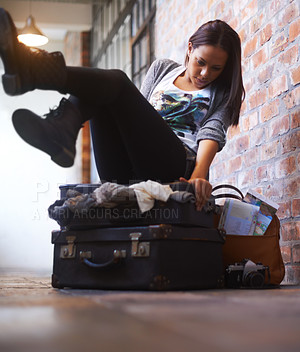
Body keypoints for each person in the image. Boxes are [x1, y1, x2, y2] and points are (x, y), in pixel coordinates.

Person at [0, 8, 244, 211]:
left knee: (116, 81)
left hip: (174, 169)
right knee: (104, 91)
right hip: (125, 167)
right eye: (200, 62)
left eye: (216, 68)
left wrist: (198, 175)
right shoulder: (162, 69)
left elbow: (211, 133)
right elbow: (137, 111)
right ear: (190, 49)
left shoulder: (222, 93)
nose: (204, 74)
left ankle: (34, 73)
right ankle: (62, 130)